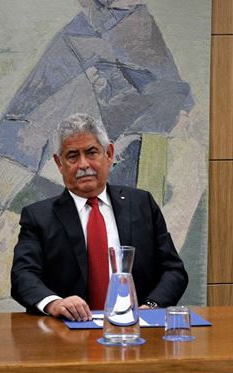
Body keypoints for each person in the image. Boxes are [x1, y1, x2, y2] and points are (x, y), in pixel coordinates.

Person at [11, 113, 188, 321]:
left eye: (91, 152)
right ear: (59, 164)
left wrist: (151, 307)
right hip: (68, 334)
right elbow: (23, 276)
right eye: (72, 156)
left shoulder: (142, 205)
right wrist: (55, 303)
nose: (83, 164)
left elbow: (173, 270)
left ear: (109, 154)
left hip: (137, 331)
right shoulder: (38, 217)